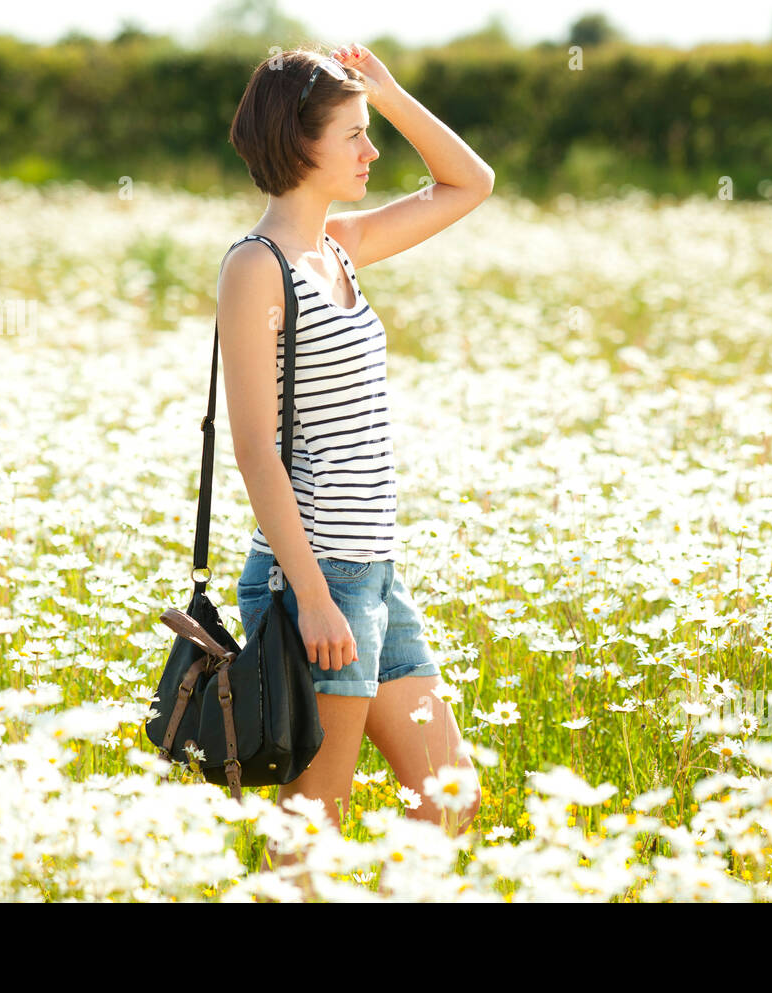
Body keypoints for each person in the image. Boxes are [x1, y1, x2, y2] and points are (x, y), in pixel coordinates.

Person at [217, 43, 494, 879]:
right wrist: (309, 599)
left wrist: (393, 93)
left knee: (449, 797)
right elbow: (256, 451)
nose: (373, 152)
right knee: (309, 836)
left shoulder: (338, 248)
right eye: (356, 135)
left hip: (375, 572)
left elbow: (469, 183)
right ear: (301, 144)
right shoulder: (255, 269)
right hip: (316, 581)